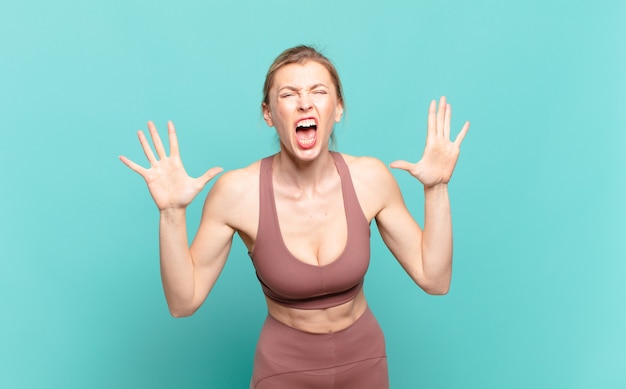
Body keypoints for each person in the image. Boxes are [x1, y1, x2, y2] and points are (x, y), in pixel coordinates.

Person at [119, 45, 469, 388]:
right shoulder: (237, 193)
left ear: (338, 109)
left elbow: (434, 279)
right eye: (289, 94)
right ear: (269, 113)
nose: (305, 102)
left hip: (365, 361)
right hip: (284, 369)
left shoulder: (370, 179)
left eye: (319, 91)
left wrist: (436, 187)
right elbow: (183, 302)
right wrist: (171, 213)